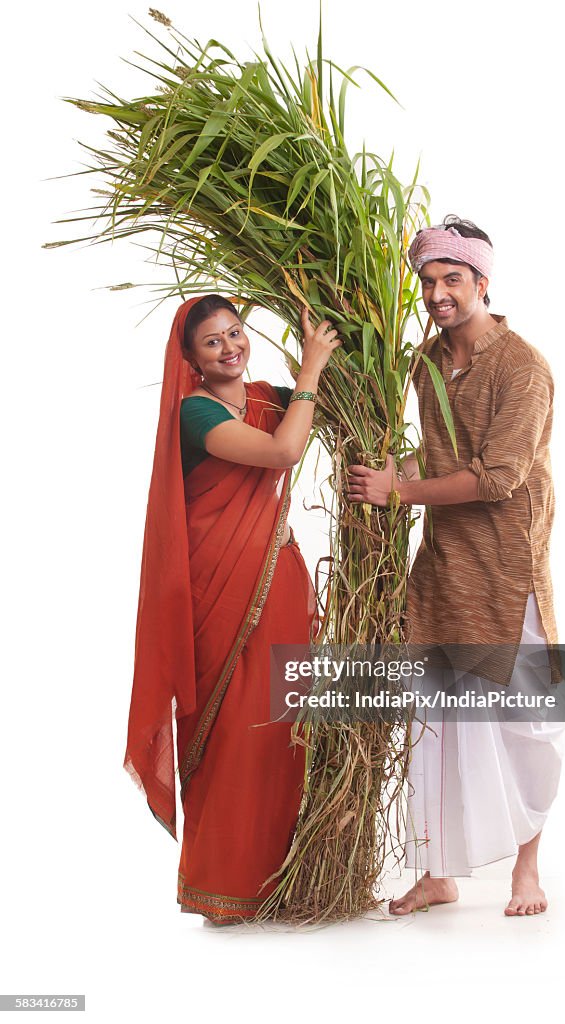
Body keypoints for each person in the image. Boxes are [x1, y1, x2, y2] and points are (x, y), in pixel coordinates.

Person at [347, 216, 565, 917]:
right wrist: (394, 470)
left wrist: (401, 491)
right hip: (444, 562)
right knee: (433, 720)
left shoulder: (522, 366)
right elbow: (439, 457)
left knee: (526, 718)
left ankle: (526, 870)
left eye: (452, 279)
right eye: (428, 281)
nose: (438, 293)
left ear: (482, 282)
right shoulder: (426, 361)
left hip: (507, 568)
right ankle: (435, 870)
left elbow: (499, 477)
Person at [124, 293, 341, 923]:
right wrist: (311, 368)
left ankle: (283, 880)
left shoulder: (271, 399)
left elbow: (314, 419)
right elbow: (283, 453)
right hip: (219, 592)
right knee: (232, 729)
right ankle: (223, 887)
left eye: (235, 333)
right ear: (190, 357)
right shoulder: (194, 413)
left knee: (284, 727)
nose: (230, 348)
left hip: (280, 580)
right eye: (212, 341)